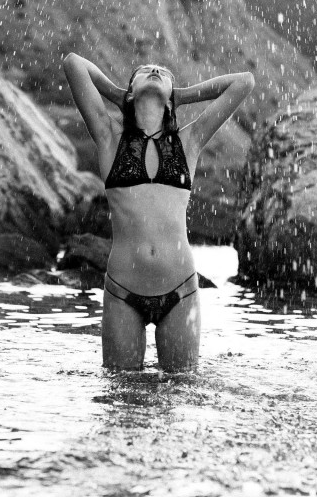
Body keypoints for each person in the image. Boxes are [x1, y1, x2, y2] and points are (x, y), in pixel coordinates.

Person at [63, 53, 255, 372]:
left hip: (181, 292)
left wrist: (181, 96)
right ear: (130, 91)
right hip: (122, 293)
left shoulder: (189, 140)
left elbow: (244, 82)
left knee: (182, 389)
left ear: (171, 101)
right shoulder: (110, 138)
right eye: (143, 72)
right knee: (121, 391)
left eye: (164, 74)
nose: (154, 70)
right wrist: (120, 94)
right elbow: (73, 64)